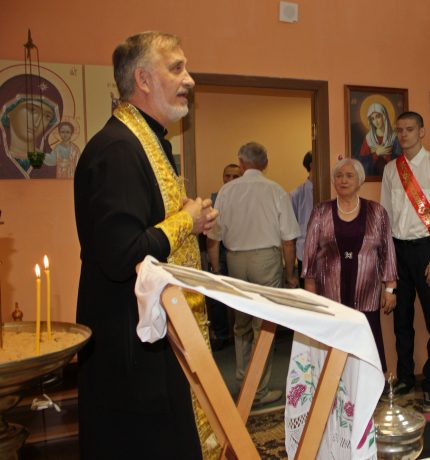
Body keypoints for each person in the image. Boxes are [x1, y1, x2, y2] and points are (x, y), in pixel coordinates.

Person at [74, 32, 219, 459]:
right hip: (131, 350)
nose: (189, 79)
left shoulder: (145, 141)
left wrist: (187, 219)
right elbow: (123, 255)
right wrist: (186, 221)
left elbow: (147, 228)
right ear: (143, 79)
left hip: (148, 339)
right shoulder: (119, 149)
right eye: (176, 68)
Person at [207, 141, 300, 407]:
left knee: (241, 323)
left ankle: (242, 379)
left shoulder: (226, 191)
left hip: (235, 259)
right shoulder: (276, 190)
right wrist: (290, 274)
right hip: (265, 260)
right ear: (265, 163)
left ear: (241, 162)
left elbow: (213, 237)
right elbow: (289, 240)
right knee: (265, 324)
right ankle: (258, 389)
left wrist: (217, 270)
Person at [380, 111, 430, 412]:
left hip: (427, 250)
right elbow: (385, 215)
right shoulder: (391, 169)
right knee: (402, 319)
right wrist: (387, 260)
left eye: (410, 129)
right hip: (398, 250)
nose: (404, 135)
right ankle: (406, 377)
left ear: (422, 131)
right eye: (399, 130)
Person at [302, 158, 397, 371]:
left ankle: (369, 384)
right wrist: (310, 290)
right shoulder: (321, 211)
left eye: (349, 175)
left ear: (360, 180)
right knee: (333, 341)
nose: (343, 180)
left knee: (367, 340)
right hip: (330, 291)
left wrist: (390, 288)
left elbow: (387, 251)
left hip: (366, 291)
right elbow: (310, 252)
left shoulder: (376, 211)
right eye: (339, 176)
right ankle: (333, 384)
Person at [205, 162, 243, 351]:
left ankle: (244, 336)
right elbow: (211, 235)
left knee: (242, 296)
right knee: (218, 297)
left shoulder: (247, 198)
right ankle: (221, 335)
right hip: (219, 251)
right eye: (227, 176)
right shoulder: (214, 200)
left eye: (235, 176)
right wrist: (215, 267)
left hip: (240, 252)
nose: (230, 179)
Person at [0, 74, 61, 179]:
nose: (37, 123)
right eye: (32, 110)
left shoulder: (50, 162)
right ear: (9, 111)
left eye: (47, 116)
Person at [290, 151, 314, 288]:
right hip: (304, 253)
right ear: (312, 164)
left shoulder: (332, 190)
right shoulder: (296, 194)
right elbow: (291, 231)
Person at [358, 102, 401, 176]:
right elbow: (362, 163)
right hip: (373, 178)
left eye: (378, 116)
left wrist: (386, 156)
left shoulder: (394, 137)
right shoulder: (368, 139)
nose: (376, 121)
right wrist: (377, 153)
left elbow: (400, 162)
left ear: (384, 116)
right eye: (372, 119)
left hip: (391, 177)